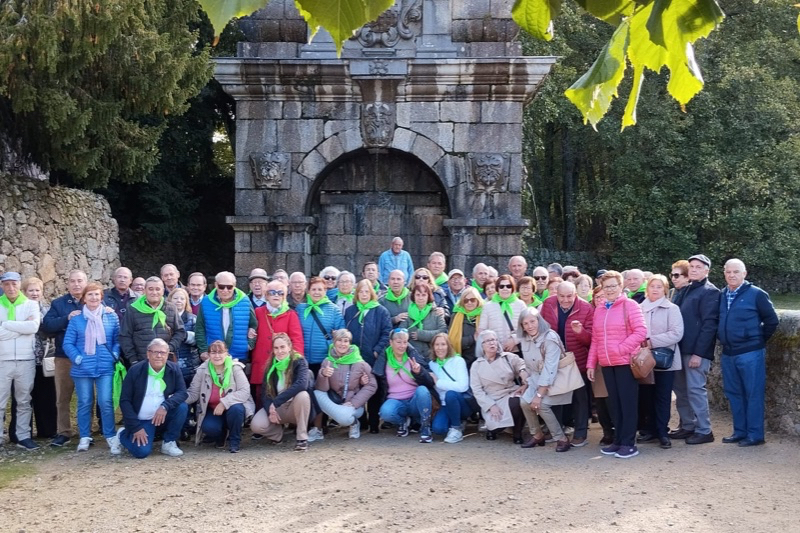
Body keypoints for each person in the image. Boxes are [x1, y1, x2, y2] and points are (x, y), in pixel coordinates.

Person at [717, 259, 779, 447]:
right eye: (728, 272)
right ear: (724, 273)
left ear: (744, 274)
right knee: (734, 393)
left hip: (750, 353)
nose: (732, 275)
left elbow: (772, 321)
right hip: (728, 353)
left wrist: (756, 341)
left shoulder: (757, 294)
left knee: (753, 393)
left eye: (736, 271)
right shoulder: (722, 295)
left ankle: (755, 435)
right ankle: (740, 431)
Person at [586, 271, 647, 459]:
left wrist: (621, 349)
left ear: (621, 287)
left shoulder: (630, 305)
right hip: (606, 364)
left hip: (624, 363)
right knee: (615, 405)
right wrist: (591, 363)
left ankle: (629, 443)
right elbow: (596, 339)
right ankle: (619, 440)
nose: (610, 290)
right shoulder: (600, 309)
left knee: (627, 404)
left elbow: (641, 331)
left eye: (613, 286)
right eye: (606, 287)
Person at [62, 281, 121, 454]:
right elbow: (68, 343)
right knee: (85, 402)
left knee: (105, 401)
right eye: (90, 294)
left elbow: (117, 340)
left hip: (105, 366)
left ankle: (110, 435)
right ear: (84, 298)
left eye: (97, 294)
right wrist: (77, 358)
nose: (94, 297)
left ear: (101, 297)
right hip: (82, 369)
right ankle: (85, 436)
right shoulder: (77, 319)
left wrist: (115, 355)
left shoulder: (111, 316)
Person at [668, 254, 719, 445]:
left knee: (696, 390)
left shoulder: (710, 292)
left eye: (698, 266)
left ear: (707, 270)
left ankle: (704, 430)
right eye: (691, 266)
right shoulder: (686, 290)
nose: (694, 269)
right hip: (680, 350)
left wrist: (698, 353)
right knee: (681, 391)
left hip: (695, 352)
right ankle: (688, 426)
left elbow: (709, 326)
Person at [539, 281, 593, 447]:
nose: (565, 300)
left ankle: (580, 432)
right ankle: (556, 430)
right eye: (561, 296)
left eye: (569, 296)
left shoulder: (586, 308)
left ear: (575, 294)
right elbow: (542, 328)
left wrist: (580, 332)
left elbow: (591, 339)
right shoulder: (548, 304)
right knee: (555, 394)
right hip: (554, 358)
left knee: (580, 398)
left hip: (578, 359)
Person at [117, 338, 188, 458]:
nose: (159, 356)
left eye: (163, 353)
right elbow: (125, 401)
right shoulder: (135, 371)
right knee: (142, 452)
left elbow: (182, 392)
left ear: (167, 355)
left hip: (162, 417)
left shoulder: (173, 369)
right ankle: (122, 435)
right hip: (142, 420)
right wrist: (136, 427)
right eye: (155, 352)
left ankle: (169, 442)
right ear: (148, 354)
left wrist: (165, 406)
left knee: (182, 407)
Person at [42, 269, 88, 447]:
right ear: (67, 284)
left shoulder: (93, 300)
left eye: (80, 281)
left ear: (85, 282)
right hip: (64, 357)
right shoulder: (58, 303)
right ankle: (64, 432)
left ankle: (85, 432)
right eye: (73, 281)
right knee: (62, 397)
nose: (77, 284)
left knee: (86, 396)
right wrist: (66, 318)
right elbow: (47, 326)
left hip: (86, 358)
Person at [638, 275, 684, 449]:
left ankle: (662, 431)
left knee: (663, 397)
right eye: (652, 286)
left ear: (664, 289)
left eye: (659, 286)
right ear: (647, 289)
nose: (655, 289)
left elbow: (677, 333)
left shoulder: (672, 309)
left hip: (665, 360)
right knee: (646, 397)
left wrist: (651, 341)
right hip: (643, 360)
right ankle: (650, 430)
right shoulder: (639, 308)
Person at [517, 308, 572, 452]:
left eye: (532, 321)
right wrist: (525, 381)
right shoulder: (525, 339)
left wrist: (539, 395)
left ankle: (561, 439)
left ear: (539, 321)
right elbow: (529, 365)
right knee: (523, 402)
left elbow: (550, 369)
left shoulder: (549, 338)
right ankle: (537, 435)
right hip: (536, 379)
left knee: (541, 405)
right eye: (525, 323)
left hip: (557, 380)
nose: (530, 326)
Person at [185, 340, 254, 453]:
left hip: (232, 408)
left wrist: (224, 402)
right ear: (208, 355)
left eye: (220, 352)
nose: (217, 356)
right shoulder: (202, 370)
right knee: (209, 427)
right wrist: (176, 399)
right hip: (212, 410)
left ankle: (234, 440)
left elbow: (245, 391)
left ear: (226, 353)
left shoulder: (235, 368)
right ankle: (220, 435)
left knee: (237, 409)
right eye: (213, 352)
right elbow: (193, 393)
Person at [249, 333, 314, 451]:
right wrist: (270, 410)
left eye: (282, 347)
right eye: (276, 348)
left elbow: (301, 385)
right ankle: (277, 434)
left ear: (289, 347)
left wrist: (276, 402)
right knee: (256, 425)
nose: (279, 351)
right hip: (278, 408)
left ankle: (302, 438)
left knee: (303, 395)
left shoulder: (299, 361)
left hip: (295, 406)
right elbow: (265, 393)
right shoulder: (270, 366)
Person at [0, 272, 42, 450]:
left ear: (19, 285)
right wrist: (21, 326)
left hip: (25, 359)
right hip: (2, 359)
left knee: (24, 400)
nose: (10, 288)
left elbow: (33, 327)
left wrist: (5, 324)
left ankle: (23, 436)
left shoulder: (31, 304)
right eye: (6, 284)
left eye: (14, 284)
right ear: (2, 286)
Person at [343, 279, 392, 433]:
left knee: (373, 389)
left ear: (371, 293)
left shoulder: (381, 311)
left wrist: (377, 350)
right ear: (356, 294)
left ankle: (373, 423)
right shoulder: (351, 311)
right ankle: (361, 421)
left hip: (373, 357)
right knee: (356, 388)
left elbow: (386, 332)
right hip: (355, 358)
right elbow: (346, 332)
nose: (364, 294)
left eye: (366, 291)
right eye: (361, 291)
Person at [374, 328, 436, 443]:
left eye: (405, 342)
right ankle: (402, 423)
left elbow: (429, 383)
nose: (402, 346)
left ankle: (425, 427)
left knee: (422, 390)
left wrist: (419, 372)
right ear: (391, 342)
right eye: (398, 342)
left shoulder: (413, 357)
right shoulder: (384, 359)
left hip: (414, 400)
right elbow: (378, 383)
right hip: (395, 400)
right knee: (385, 412)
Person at [313, 329, 377, 439]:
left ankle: (354, 423)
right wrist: (323, 375)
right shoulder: (327, 361)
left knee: (343, 417)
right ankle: (317, 430)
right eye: (339, 340)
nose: (342, 344)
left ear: (350, 343)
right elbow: (322, 389)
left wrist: (354, 402)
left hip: (353, 405)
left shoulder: (360, 362)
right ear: (334, 342)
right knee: (315, 394)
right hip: (335, 402)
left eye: (346, 341)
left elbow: (372, 385)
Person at [251, 280, 304, 409]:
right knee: (261, 395)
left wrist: (295, 362)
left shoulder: (291, 314)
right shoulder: (258, 312)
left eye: (280, 293)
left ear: (284, 296)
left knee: (283, 392)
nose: (276, 295)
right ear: (266, 295)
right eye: (272, 292)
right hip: (262, 361)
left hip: (282, 363)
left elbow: (297, 340)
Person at [470, 329, 528, 442]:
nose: (492, 343)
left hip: (510, 392)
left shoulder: (507, 357)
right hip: (492, 399)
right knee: (496, 427)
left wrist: (522, 372)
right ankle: (492, 429)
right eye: (487, 341)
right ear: (481, 345)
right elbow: (477, 391)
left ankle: (517, 434)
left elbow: (521, 364)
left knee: (518, 401)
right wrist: (491, 405)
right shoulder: (476, 365)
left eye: (493, 340)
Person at [119, 276, 186, 366]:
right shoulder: (133, 309)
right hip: (141, 362)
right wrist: (133, 359)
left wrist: (169, 348)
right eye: (151, 289)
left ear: (162, 291)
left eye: (157, 289)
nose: (154, 292)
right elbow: (125, 336)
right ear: (145, 290)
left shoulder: (171, 308)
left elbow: (180, 332)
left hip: (166, 361)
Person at [20, 277, 57, 440]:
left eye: (37, 290)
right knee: (23, 397)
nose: (34, 293)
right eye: (31, 290)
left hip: (44, 359)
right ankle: (21, 433)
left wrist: (37, 323)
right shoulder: (19, 310)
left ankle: (47, 430)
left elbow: (51, 329)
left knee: (47, 396)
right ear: (24, 292)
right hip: (23, 358)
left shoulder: (48, 310)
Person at [195, 271, 258, 362]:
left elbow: (253, 325)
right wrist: (203, 350)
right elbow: (199, 328)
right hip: (214, 356)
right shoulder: (206, 301)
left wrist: (249, 345)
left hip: (238, 356)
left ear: (234, 285)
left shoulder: (244, 300)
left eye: (229, 287)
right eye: (221, 287)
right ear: (216, 285)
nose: (225, 290)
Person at [296, 276, 345, 392]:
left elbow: (342, 334)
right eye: (313, 289)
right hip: (303, 360)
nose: (316, 292)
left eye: (320, 289)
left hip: (324, 360)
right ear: (308, 291)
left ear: (325, 291)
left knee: (322, 393)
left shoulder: (334, 310)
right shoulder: (300, 309)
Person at [428, 333, 472, 443]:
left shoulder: (458, 361)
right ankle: (458, 422)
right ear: (433, 347)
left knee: (450, 394)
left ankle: (456, 428)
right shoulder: (431, 364)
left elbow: (463, 386)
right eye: (437, 345)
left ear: (449, 346)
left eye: (443, 344)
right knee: (438, 429)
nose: (440, 348)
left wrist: (439, 383)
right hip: (444, 404)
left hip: (461, 402)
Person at [477, 274, 526, 354]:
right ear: (497, 288)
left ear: (512, 288)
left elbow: (526, 328)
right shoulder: (488, 306)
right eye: (501, 286)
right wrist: (493, 344)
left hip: (516, 350)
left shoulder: (520, 305)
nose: (505, 289)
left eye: (508, 286)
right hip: (495, 351)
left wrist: (514, 340)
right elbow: (482, 330)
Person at [165, 288, 201, 387]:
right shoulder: (162, 317)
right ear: (169, 300)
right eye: (175, 298)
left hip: (189, 362)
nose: (179, 301)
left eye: (182, 298)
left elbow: (198, 339)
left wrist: (182, 335)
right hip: (169, 360)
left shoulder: (193, 319)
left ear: (186, 301)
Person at [407, 283, 447, 361]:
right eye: (418, 295)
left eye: (424, 295)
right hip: (413, 357)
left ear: (428, 296)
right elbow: (403, 333)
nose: (420, 298)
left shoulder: (436, 313)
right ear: (413, 296)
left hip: (433, 356)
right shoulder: (408, 314)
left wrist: (422, 335)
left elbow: (442, 331)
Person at [448, 287, 483, 369]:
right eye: (466, 300)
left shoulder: (484, 314)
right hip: (463, 360)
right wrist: (472, 338)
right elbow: (452, 341)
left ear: (478, 300)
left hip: (482, 360)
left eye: (472, 300)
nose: (469, 302)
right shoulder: (456, 316)